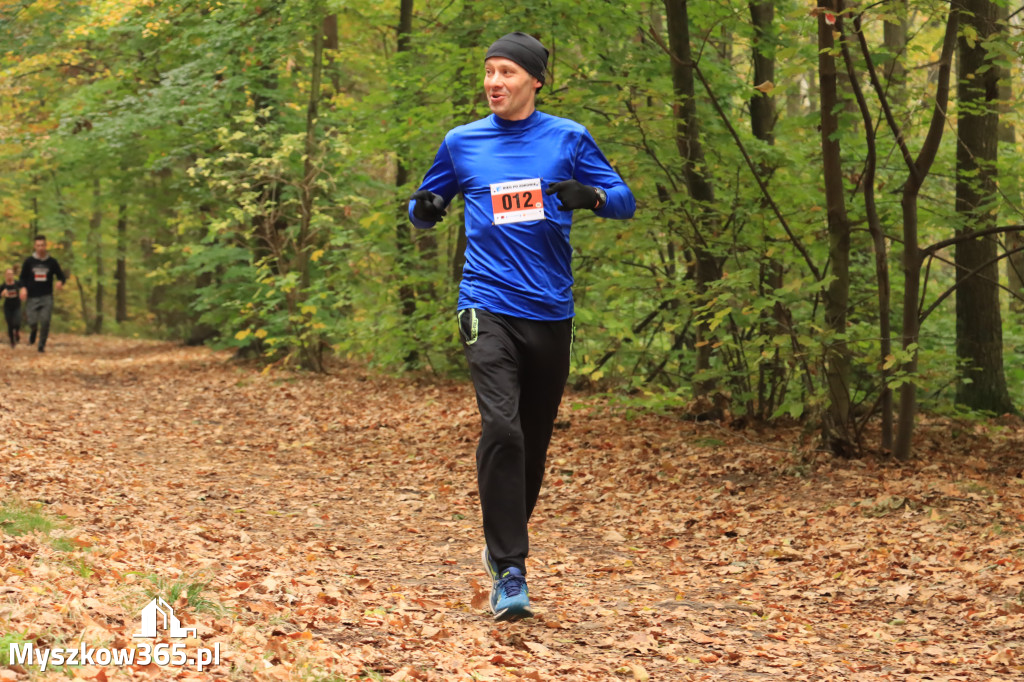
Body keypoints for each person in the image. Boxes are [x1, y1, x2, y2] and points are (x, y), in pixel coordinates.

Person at [408, 31, 636, 621]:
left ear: (534, 81)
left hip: (550, 311)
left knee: (531, 444)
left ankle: (499, 541)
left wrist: (589, 197)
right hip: (484, 303)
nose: (494, 82)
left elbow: (624, 199)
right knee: (502, 429)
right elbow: (422, 209)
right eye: (488, 72)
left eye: (507, 72)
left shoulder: (568, 138)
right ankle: (511, 568)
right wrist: (426, 209)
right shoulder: (462, 143)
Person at [19, 235, 66, 353]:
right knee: (32, 321)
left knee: (45, 321)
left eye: (42, 245)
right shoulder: (29, 262)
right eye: (38, 245)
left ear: (46, 246)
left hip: (46, 296)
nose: (40, 248)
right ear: (35, 247)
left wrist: (60, 282)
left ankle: (41, 345)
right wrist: (23, 288)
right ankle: (33, 330)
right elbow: (22, 278)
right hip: (32, 297)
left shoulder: (52, 262)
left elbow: (61, 276)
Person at [1, 268, 22, 348]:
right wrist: (2, 294)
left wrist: (23, 292)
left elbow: (23, 289)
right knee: (10, 324)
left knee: (17, 322)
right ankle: (12, 341)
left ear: (13, 275)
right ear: (5, 275)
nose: (9, 276)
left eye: (11, 274)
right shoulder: (3, 286)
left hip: (17, 306)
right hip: (7, 307)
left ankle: (17, 332)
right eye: (8, 274)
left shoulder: (17, 283)